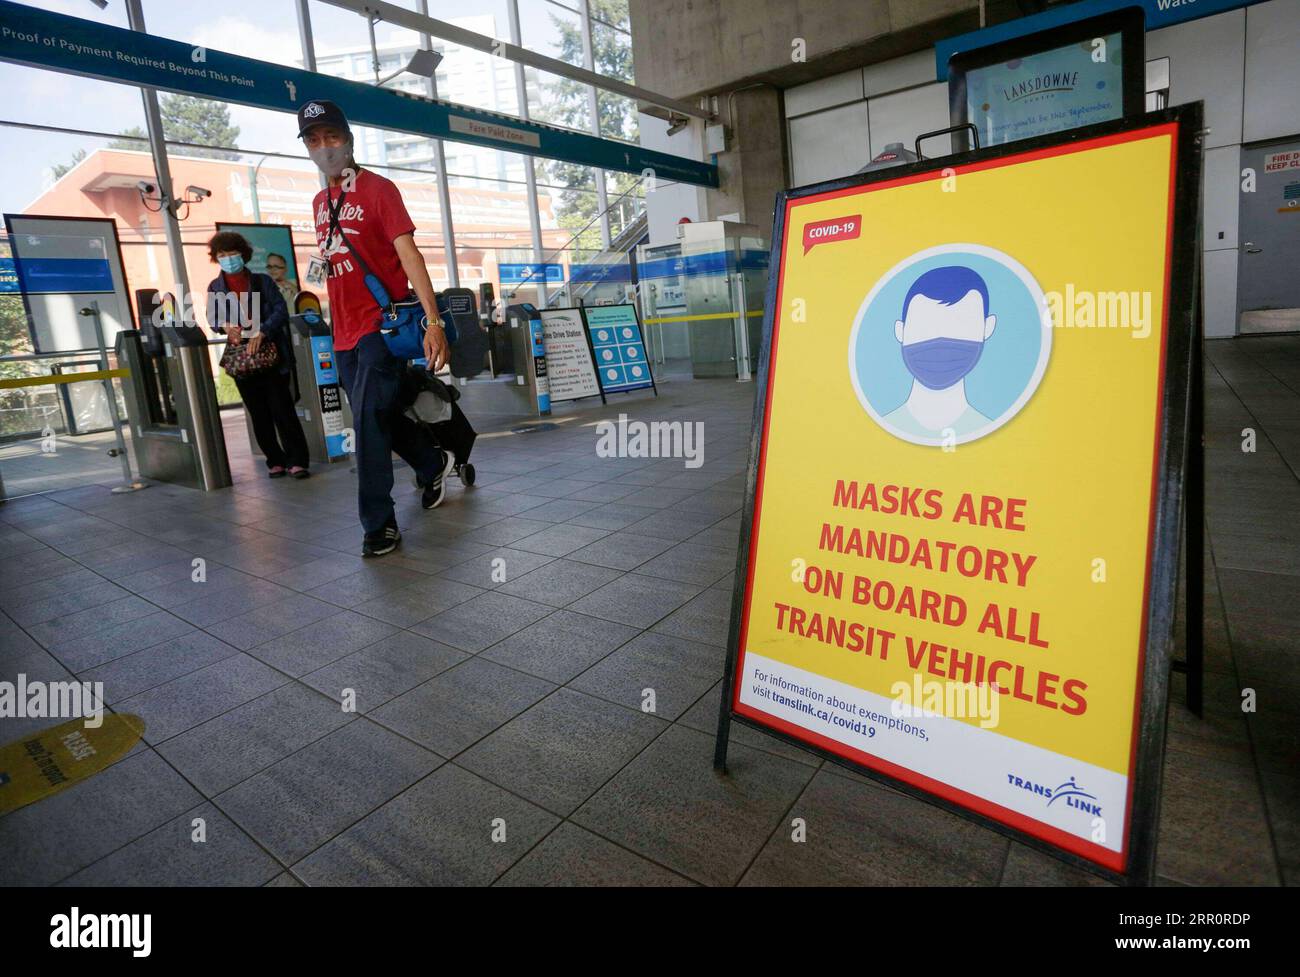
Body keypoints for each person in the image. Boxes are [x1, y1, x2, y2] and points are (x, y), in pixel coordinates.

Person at [299, 98, 452, 557]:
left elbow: (409, 255)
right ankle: (431, 461)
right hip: (340, 332)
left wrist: (433, 320)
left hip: (377, 330)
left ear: (348, 139)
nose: (324, 147)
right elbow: (326, 266)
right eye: (314, 140)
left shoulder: (380, 190)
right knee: (379, 415)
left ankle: (378, 524)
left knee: (365, 426)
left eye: (331, 137)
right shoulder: (319, 202)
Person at [206, 230, 311, 479]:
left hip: (271, 355)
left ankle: (297, 460)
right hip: (241, 359)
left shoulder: (262, 281)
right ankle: (275, 460)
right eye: (222, 254)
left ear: (243, 254)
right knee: (258, 414)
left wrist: (261, 332)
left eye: (232, 253)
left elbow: (280, 311)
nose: (228, 258)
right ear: (216, 258)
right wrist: (225, 327)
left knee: (282, 410)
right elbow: (213, 319)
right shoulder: (215, 287)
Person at [883, 265, 997, 438]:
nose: (940, 338)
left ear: (987, 328)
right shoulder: (884, 427)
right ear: (900, 331)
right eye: (926, 325)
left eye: (960, 324)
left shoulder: (988, 430)